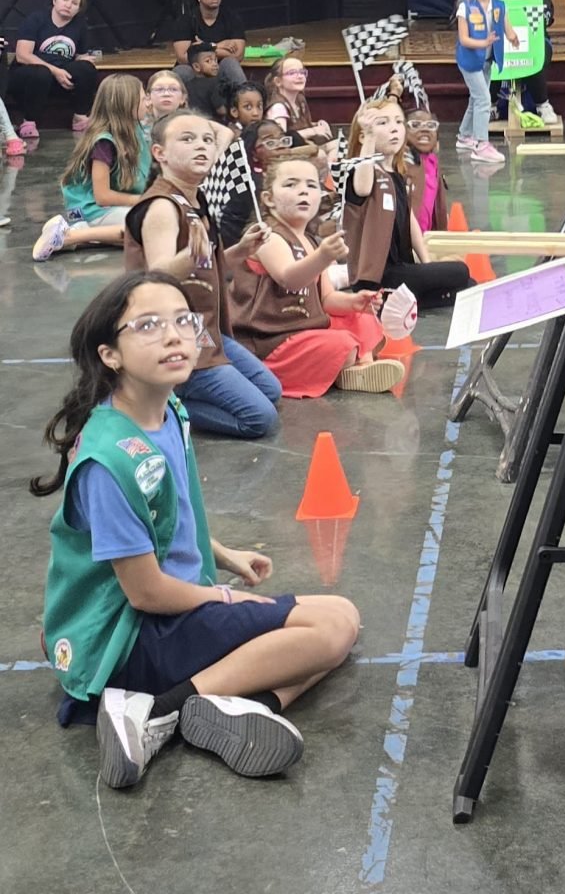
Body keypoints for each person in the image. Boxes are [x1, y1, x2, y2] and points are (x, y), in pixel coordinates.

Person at [32, 270, 360, 788]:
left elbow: (163, 520)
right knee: (332, 627)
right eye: (147, 325)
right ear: (109, 355)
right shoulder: (110, 460)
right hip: (130, 638)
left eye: (183, 321)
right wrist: (228, 598)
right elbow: (145, 593)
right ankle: (159, 711)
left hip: (165, 614)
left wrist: (223, 553)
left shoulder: (169, 412)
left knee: (336, 624)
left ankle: (242, 705)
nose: (173, 336)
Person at [124, 109, 282, 438]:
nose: (202, 146)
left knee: (271, 390)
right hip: (175, 336)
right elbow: (157, 275)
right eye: (187, 139)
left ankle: (174, 392)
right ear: (159, 153)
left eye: (208, 141)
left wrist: (240, 250)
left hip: (205, 330)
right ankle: (158, 401)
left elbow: (205, 266)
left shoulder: (195, 198)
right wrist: (191, 257)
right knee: (259, 419)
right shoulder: (163, 207)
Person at [230, 152, 405, 396]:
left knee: (362, 319)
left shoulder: (311, 241)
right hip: (272, 340)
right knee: (341, 343)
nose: (303, 191)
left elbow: (327, 299)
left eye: (311, 185)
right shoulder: (268, 237)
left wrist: (355, 302)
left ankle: (360, 366)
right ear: (268, 199)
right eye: (291, 185)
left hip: (305, 329)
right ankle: (352, 364)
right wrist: (323, 256)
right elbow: (289, 278)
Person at [344, 98, 472, 308]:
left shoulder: (397, 175)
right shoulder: (361, 173)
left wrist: (427, 264)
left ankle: (399, 302)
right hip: (379, 277)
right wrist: (369, 137)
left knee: (468, 285)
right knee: (460, 271)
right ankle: (382, 299)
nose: (394, 128)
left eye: (398, 122)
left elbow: (410, 222)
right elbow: (363, 188)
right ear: (363, 135)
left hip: (402, 268)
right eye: (383, 123)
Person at [32, 74, 152, 262]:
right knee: (151, 229)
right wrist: (142, 200)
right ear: (127, 104)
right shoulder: (104, 143)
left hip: (117, 206)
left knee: (160, 227)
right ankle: (71, 236)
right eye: (144, 99)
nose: (148, 103)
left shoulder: (136, 130)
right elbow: (102, 196)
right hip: (93, 209)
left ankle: (82, 236)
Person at [7, 0, 99, 137]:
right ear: (55, 0)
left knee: (86, 68)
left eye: (74, 3)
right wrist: (55, 71)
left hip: (61, 75)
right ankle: (29, 121)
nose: (68, 5)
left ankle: (80, 117)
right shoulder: (36, 19)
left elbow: (80, 55)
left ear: (78, 9)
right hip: (30, 74)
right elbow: (23, 55)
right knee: (41, 73)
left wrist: (84, 61)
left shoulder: (79, 25)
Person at [454, 0, 519, 163]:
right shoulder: (465, 7)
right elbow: (464, 39)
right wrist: (483, 42)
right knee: (483, 99)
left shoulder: (499, 4)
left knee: (476, 98)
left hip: (488, 60)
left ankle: (465, 136)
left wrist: (513, 37)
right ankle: (481, 145)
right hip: (470, 61)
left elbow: (506, 26)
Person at [497, 0, 558, 125]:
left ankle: (542, 105)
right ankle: (490, 105)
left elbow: (547, 17)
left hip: (535, 37)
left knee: (535, 53)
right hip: (501, 37)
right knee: (490, 53)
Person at [171, 0, 246, 89]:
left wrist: (200, 48)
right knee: (182, 71)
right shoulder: (185, 20)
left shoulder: (232, 18)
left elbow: (237, 55)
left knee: (230, 63)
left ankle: (245, 97)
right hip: (194, 69)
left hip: (220, 67)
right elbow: (183, 57)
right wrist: (215, 46)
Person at [264, 57, 336, 155]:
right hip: (288, 154)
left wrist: (317, 125)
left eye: (302, 72)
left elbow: (298, 126)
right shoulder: (278, 108)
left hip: (306, 147)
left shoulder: (300, 99)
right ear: (278, 81)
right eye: (292, 73)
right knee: (321, 154)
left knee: (341, 145)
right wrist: (313, 131)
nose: (300, 76)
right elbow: (282, 140)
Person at [404, 107, 448, 233]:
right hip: (407, 240)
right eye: (415, 125)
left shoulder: (433, 163)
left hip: (427, 239)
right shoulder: (400, 163)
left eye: (431, 125)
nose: (424, 129)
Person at [184, 42, 227, 120]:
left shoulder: (186, 85)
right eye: (208, 61)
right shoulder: (214, 83)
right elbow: (221, 111)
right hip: (211, 123)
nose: (215, 64)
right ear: (196, 67)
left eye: (215, 60)